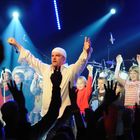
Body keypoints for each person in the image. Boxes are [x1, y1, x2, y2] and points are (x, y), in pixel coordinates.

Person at [7, 36, 93, 118]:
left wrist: (86, 51)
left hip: (63, 117)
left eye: (57, 55)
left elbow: (81, 61)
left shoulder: (70, 71)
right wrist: (17, 45)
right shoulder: (46, 69)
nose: (54, 58)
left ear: (64, 59)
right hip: (46, 116)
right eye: (52, 55)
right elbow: (31, 59)